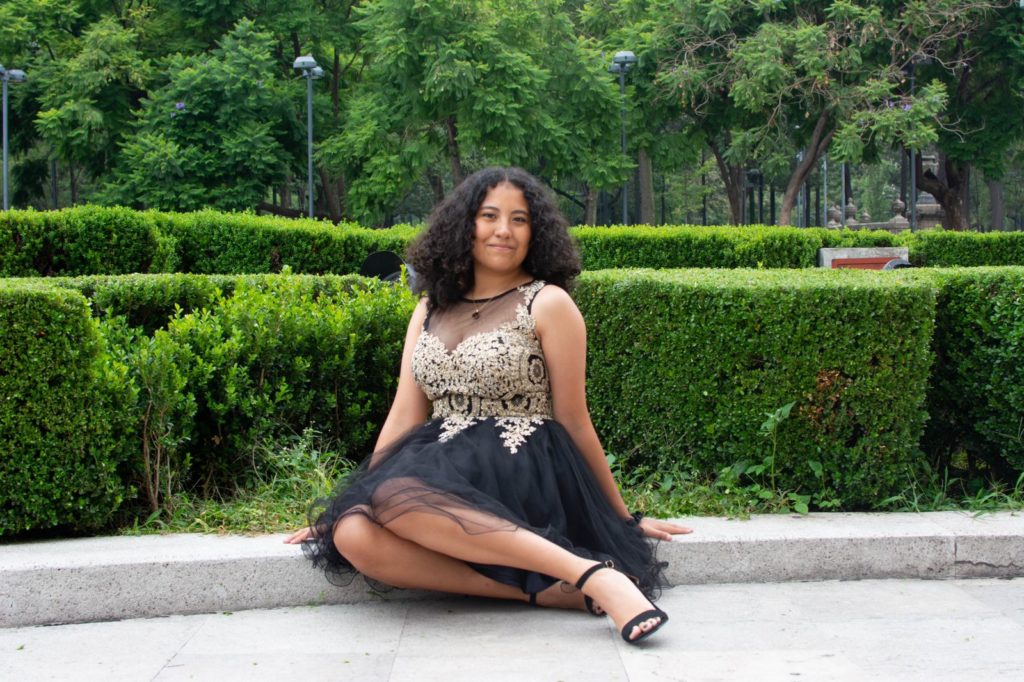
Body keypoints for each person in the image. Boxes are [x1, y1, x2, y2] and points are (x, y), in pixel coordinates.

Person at [286, 167, 691, 643]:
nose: (504, 230)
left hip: (521, 462)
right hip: (441, 463)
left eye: (519, 219)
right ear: (465, 226)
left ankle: (596, 576)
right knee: (353, 532)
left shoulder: (548, 303)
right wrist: (352, 498)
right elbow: (405, 413)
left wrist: (622, 520)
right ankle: (545, 593)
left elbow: (574, 419)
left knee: (394, 497)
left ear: (536, 233)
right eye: (489, 216)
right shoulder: (430, 308)